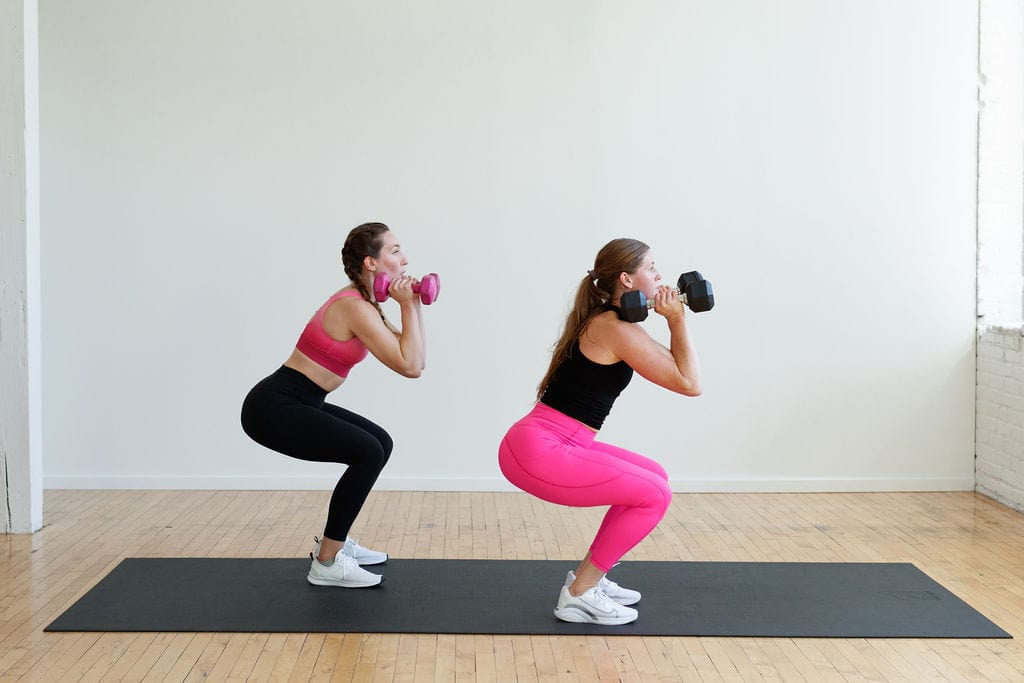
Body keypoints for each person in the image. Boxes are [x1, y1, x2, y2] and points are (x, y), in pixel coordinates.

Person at [498, 238, 701, 625]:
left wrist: (675, 317)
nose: (660, 275)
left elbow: (679, 367)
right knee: (654, 494)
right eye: (651, 268)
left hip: (552, 443)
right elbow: (689, 382)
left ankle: (592, 578)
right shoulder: (613, 328)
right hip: (538, 449)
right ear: (626, 279)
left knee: (655, 477)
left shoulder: (616, 324)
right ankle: (578, 595)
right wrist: (676, 318)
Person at [241, 222, 427, 588]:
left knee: (380, 443)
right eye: (394, 251)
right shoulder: (354, 307)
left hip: (302, 400)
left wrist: (414, 305)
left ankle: (336, 543)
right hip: (274, 406)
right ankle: (326, 562)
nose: (404, 259)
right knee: (367, 452)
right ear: (371, 263)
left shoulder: (369, 303)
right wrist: (407, 306)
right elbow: (408, 366)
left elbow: (416, 360)